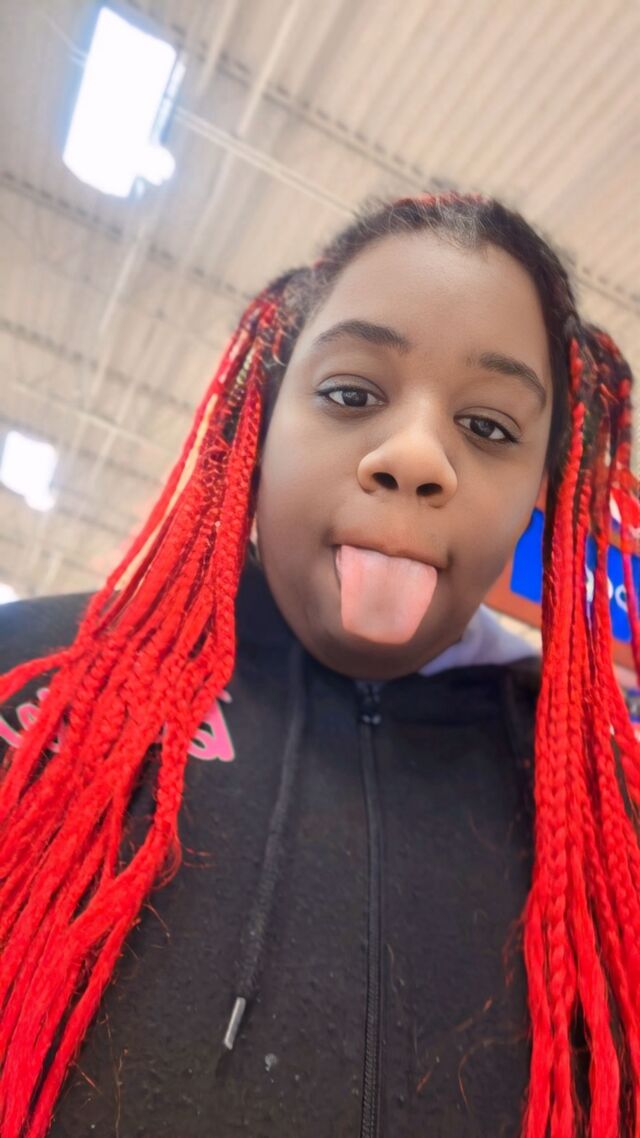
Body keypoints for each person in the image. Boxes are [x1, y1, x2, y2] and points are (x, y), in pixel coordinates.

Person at [0, 190, 637, 1138]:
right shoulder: (36, 674)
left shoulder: (607, 805)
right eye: (350, 394)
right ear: (257, 423)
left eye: (491, 428)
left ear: (539, 498)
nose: (416, 457)